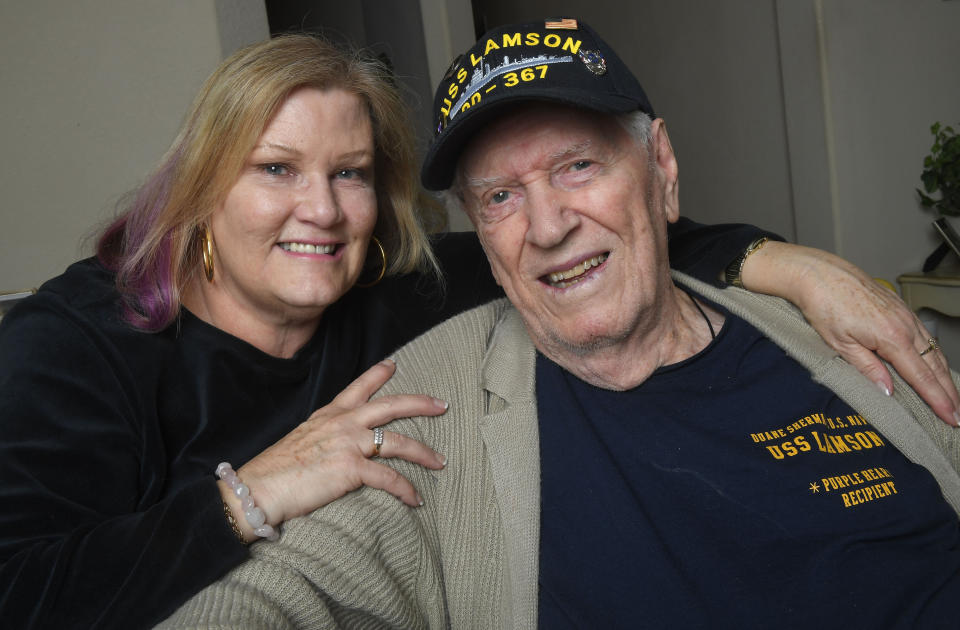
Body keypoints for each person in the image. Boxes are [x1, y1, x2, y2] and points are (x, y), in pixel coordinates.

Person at [159, 20, 960, 629]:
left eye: (578, 165)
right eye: (500, 196)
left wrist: (789, 263)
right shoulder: (431, 406)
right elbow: (273, 599)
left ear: (663, 171)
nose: (546, 226)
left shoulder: (832, 333)